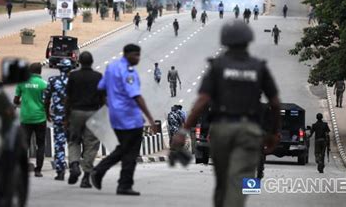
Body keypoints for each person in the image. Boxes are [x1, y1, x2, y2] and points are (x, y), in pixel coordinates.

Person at [171, 20, 281, 207]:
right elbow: (275, 103)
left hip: (221, 131)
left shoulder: (217, 67)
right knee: (240, 181)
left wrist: (184, 130)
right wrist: (274, 132)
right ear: (248, 40)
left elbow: (202, 101)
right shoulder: (259, 67)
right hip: (249, 131)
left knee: (222, 181)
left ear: (225, 41)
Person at [91, 44, 157, 196]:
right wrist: (150, 119)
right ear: (126, 54)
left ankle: (118, 181)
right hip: (130, 117)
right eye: (135, 55)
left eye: (139, 55)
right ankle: (111, 177)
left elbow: (101, 88)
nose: (138, 59)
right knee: (130, 152)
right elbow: (136, 96)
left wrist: (107, 102)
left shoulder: (111, 67)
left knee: (124, 148)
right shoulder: (128, 72)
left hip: (115, 116)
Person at [66, 51, 105, 188]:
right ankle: (86, 177)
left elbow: (68, 98)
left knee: (74, 140)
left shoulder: (73, 76)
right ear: (92, 62)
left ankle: (74, 164)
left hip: (76, 112)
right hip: (93, 112)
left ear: (80, 62)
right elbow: (103, 98)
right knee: (91, 145)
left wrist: (66, 116)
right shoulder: (98, 77)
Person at [13, 63, 47, 178]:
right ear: (40, 72)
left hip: (26, 118)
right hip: (40, 118)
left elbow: (16, 100)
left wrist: (20, 104)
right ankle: (38, 170)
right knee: (40, 144)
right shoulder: (43, 84)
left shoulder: (22, 83)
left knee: (24, 144)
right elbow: (47, 101)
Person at [44, 59, 72, 181]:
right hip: (73, 117)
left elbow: (46, 98)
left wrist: (46, 112)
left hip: (58, 116)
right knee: (74, 143)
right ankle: (75, 166)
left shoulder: (53, 80)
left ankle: (60, 171)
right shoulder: (74, 81)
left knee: (59, 144)